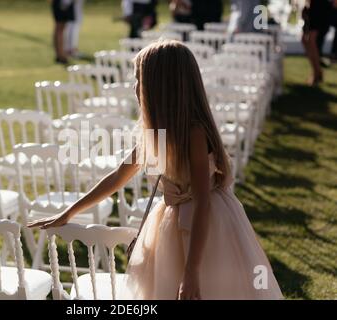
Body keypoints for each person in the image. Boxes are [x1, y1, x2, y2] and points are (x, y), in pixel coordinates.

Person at [28, 40, 284, 300]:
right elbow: (118, 176)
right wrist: (70, 212)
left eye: (139, 78)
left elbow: (203, 204)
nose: (135, 86)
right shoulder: (156, 133)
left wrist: (192, 270)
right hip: (171, 223)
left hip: (207, 229)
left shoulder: (194, 133)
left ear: (160, 86)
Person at [302, 0, 332, 85]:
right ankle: (317, 71)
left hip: (320, 9)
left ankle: (317, 73)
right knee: (305, 40)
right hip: (312, 8)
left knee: (311, 40)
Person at [51, 0, 74, 64]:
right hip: (63, 2)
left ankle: (59, 54)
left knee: (60, 28)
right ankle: (61, 55)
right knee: (60, 28)